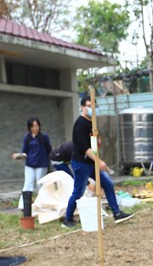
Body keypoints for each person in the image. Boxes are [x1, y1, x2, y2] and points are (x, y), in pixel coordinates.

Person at [62, 96, 134, 228]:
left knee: (107, 184)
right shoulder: (80, 124)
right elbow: (84, 148)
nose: (91, 109)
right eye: (89, 106)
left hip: (91, 162)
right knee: (78, 191)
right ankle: (68, 219)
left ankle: (117, 213)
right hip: (81, 163)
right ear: (83, 107)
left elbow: (93, 143)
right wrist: (99, 161)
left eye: (93, 106)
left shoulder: (91, 123)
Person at [11, 117, 52, 213]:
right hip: (30, 164)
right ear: (29, 127)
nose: (35, 128)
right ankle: (23, 205)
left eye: (37, 126)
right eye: (33, 126)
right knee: (28, 184)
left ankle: (42, 205)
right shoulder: (27, 137)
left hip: (42, 164)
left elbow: (49, 150)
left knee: (39, 184)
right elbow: (24, 151)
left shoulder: (44, 137)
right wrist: (19, 155)